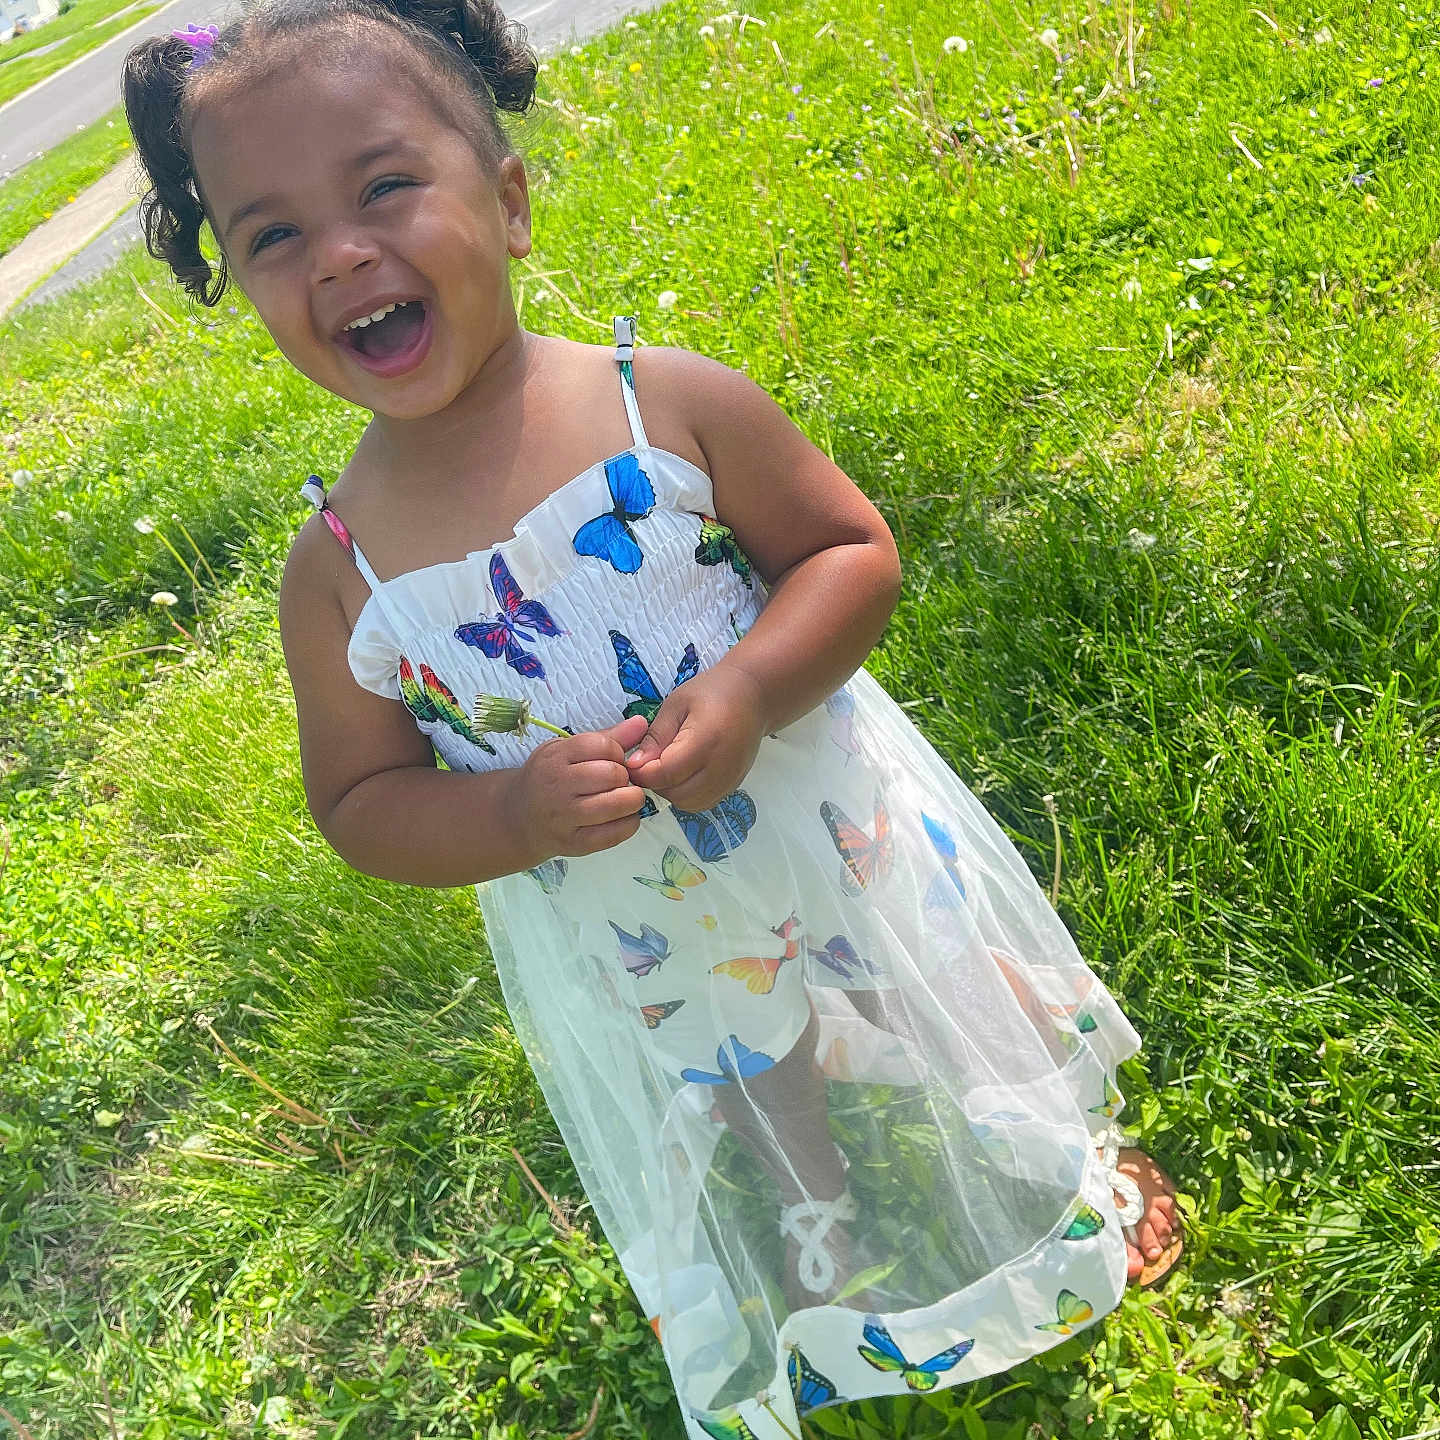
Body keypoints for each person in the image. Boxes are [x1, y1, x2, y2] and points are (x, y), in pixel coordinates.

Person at [122, 2, 1183, 1433]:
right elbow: (360, 804)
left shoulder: (662, 407)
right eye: (274, 235)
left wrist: (745, 688)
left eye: (385, 186)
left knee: (921, 974)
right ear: (240, 285)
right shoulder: (340, 575)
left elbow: (849, 551)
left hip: (828, 815)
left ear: (507, 200)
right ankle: (813, 1201)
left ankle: (1052, 1141)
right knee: (741, 1055)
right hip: (639, 911)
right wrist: (502, 811)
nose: (345, 254)